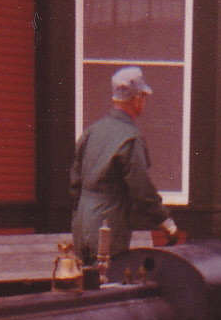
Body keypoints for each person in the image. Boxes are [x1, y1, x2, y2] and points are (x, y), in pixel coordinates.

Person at [70, 65, 178, 268]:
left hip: (82, 228)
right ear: (136, 99)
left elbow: (75, 182)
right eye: (144, 97)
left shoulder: (92, 131)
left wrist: (80, 219)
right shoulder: (130, 138)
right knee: (107, 289)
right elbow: (142, 190)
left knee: (86, 288)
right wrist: (165, 221)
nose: (145, 102)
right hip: (108, 230)